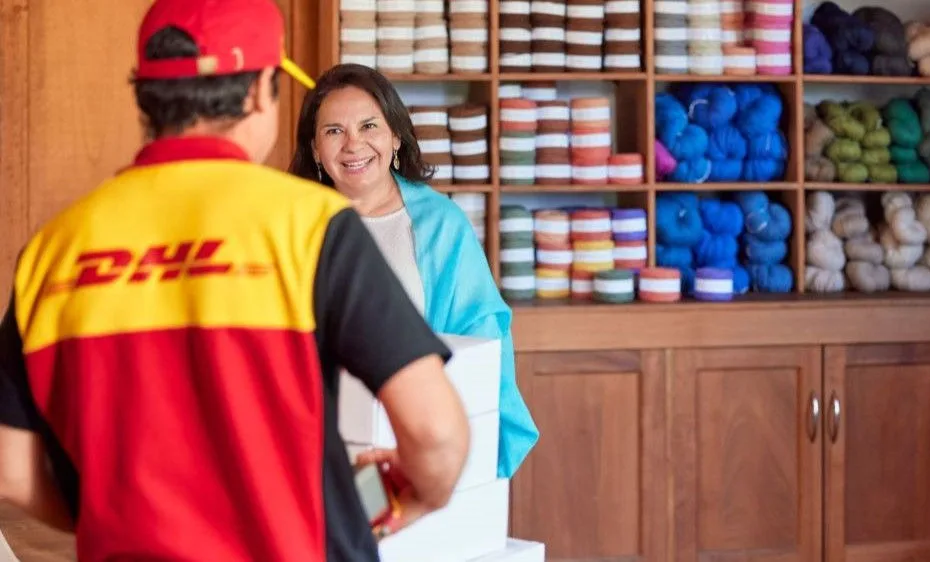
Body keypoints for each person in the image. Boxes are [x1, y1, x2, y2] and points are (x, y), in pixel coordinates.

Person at [0, 1, 471, 561]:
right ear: (259, 93)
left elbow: (10, 469)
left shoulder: (54, 250)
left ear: (146, 96)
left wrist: (117, 515)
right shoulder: (309, 225)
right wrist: (407, 497)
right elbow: (437, 434)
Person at [289, 64, 539, 479]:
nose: (353, 144)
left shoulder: (440, 225)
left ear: (395, 136)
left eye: (369, 126)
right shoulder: (292, 226)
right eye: (334, 131)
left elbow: (480, 337)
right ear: (315, 149)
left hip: (411, 440)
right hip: (315, 442)